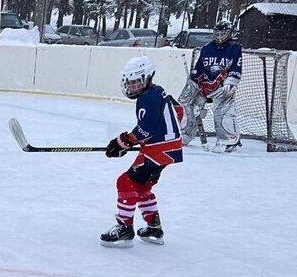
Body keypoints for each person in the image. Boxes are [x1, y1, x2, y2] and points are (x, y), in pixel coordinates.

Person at [101, 56, 184, 247]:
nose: (132, 86)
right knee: (142, 187)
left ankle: (125, 229)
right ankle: (154, 228)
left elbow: (146, 129)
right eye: (129, 82)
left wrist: (122, 142)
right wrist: (163, 134)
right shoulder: (159, 92)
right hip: (168, 149)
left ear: (147, 78)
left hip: (158, 150)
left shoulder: (147, 98)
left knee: (125, 182)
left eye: (136, 82)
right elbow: (179, 111)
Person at [178, 20, 242, 153]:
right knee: (185, 102)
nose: (220, 36)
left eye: (223, 33)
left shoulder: (235, 48)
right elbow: (199, 68)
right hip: (204, 85)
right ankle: (186, 133)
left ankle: (229, 140)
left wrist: (230, 84)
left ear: (230, 33)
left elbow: (236, 67)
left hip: (221, 86)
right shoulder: (207, 48)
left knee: (223, 109)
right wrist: (194, 82)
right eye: (217, 33)